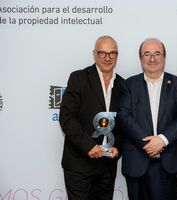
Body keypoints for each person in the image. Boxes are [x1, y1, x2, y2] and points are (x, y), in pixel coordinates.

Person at [118, 38, 177, 200]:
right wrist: (149, 143)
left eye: (157, 53)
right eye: (147, 54)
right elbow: (124, 116)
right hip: (137, 161)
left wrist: (162, 140)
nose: (152, 59)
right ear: (140, 58)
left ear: (164, 57)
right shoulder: (129, 85)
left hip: (169, 161)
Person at [59, 35, 124, 200]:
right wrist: (89, 146)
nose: (107, 58)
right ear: (94, 54)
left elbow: (124, 123)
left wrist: (118, 147)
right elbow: (67, 118)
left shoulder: (123, 85)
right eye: (102, 53)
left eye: (112, 53)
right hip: (79, 163)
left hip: (107, 166)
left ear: (117, 56)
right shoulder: (78, 78)